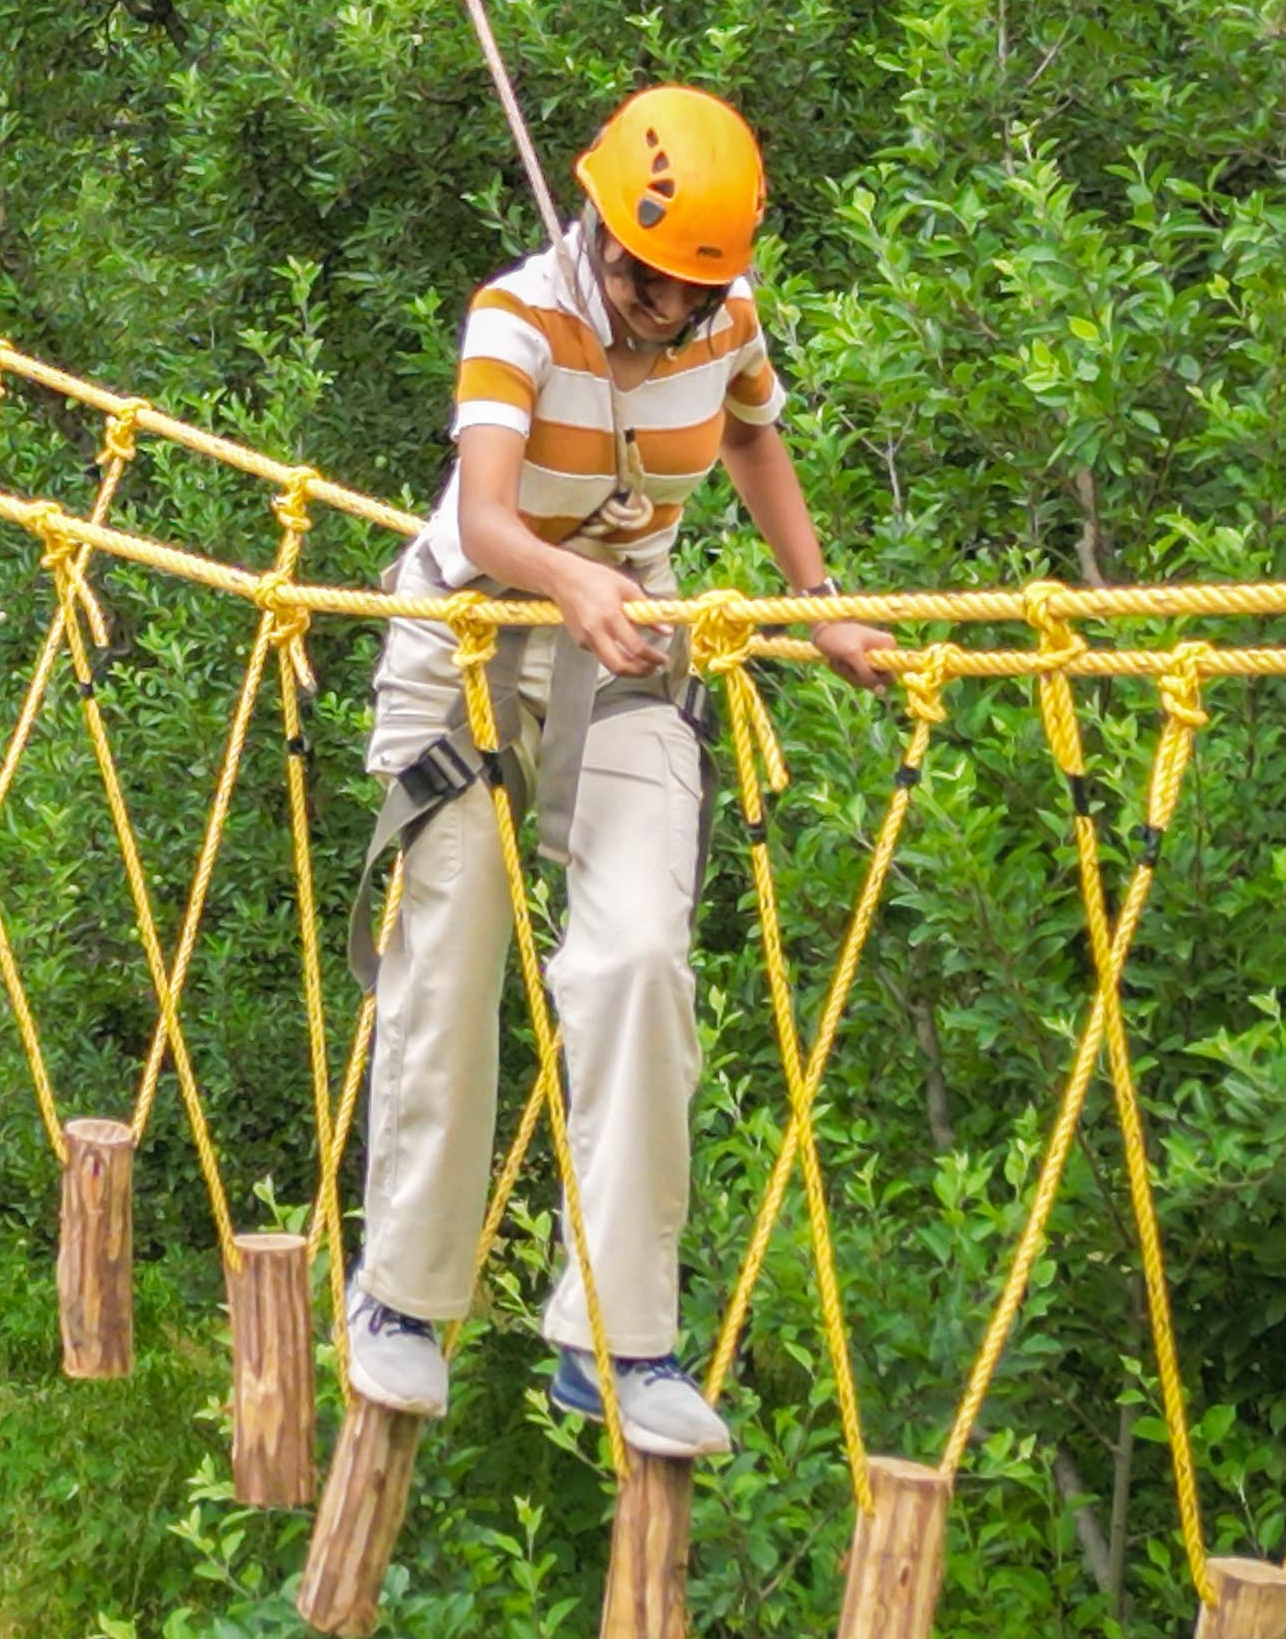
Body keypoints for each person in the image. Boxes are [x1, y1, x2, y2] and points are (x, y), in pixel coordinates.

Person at [339, 86, 893, 1461]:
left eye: (686, 291)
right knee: (453, 950)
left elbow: (756, 435)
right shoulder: (517, 316)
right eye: (644, 280)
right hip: (472, 632)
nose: (661, 311)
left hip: (632, 633)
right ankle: (402, 1305)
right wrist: (567, 575)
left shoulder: (727, 316)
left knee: (640, 956)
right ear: (598, 224)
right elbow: (480, 513)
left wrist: (817, 601)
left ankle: (618, 1337)